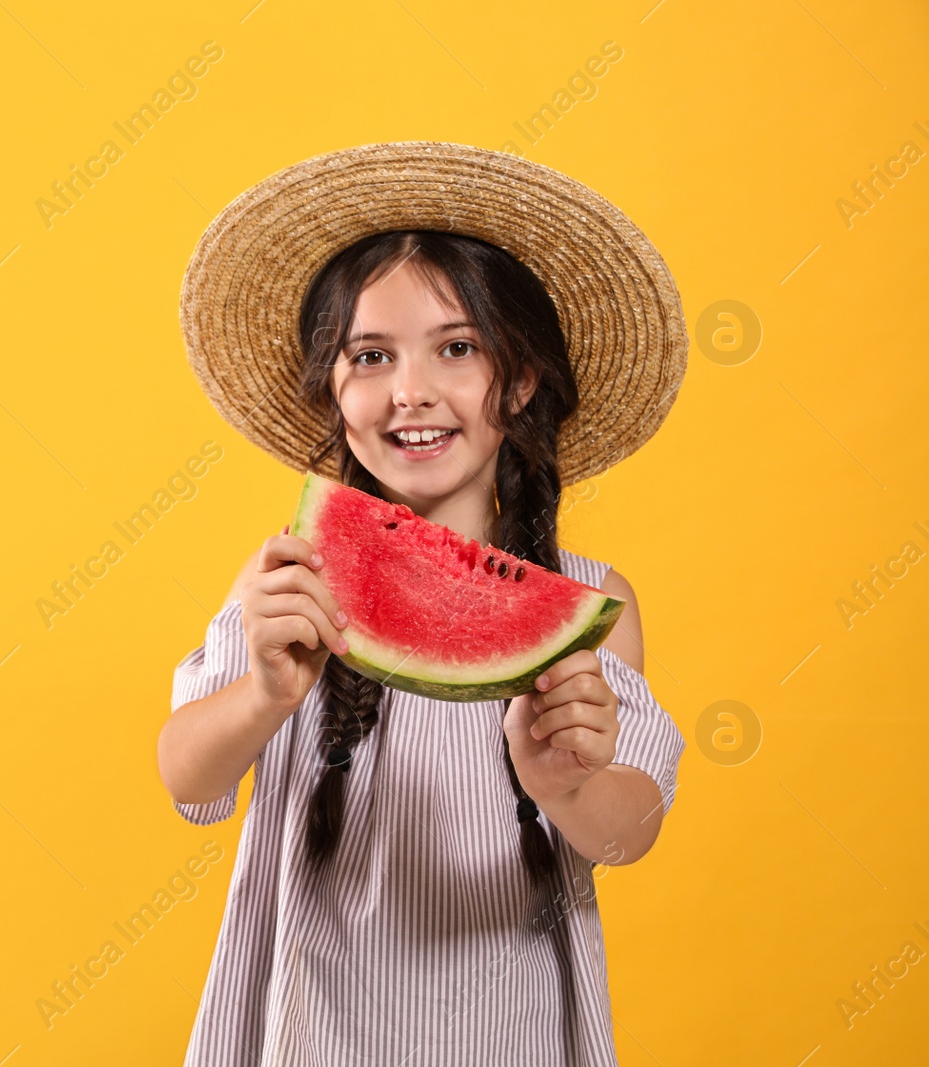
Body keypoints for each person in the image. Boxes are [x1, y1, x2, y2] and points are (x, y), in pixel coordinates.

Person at [158, 141, 689, 1066]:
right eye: (370, 355)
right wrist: (264, 697)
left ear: (520, 380)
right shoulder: (291, 578)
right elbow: (186, 777)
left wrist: (565, 782)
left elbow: (630, 831)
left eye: (457, 348)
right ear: (334, 386)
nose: (411, 391)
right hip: (306, 1025)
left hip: (506, 1030)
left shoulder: (592, 599)